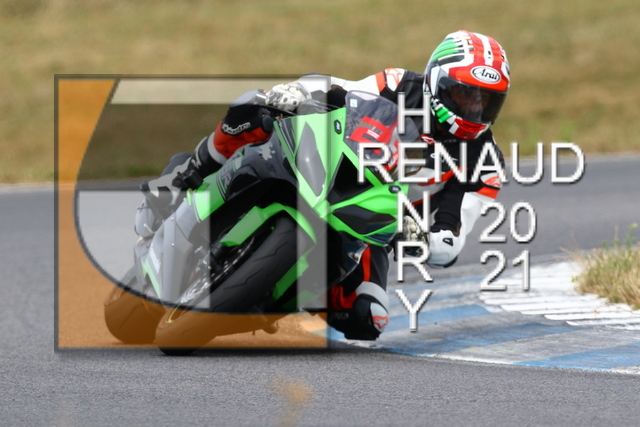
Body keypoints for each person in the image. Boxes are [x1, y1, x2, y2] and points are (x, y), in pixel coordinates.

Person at [135, 30, 510, 340]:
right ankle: (184, 177)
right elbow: (344, 92)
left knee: (367, 319)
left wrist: (429, 239)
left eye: (487, 101)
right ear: (436, 81)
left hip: (381, 222)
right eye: (464, 94)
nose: (474, 109)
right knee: (256, 110)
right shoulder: (399, 84)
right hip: (342, 167)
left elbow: (453, 233)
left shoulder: (486, 163)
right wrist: (299, 92)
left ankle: (278, 296)